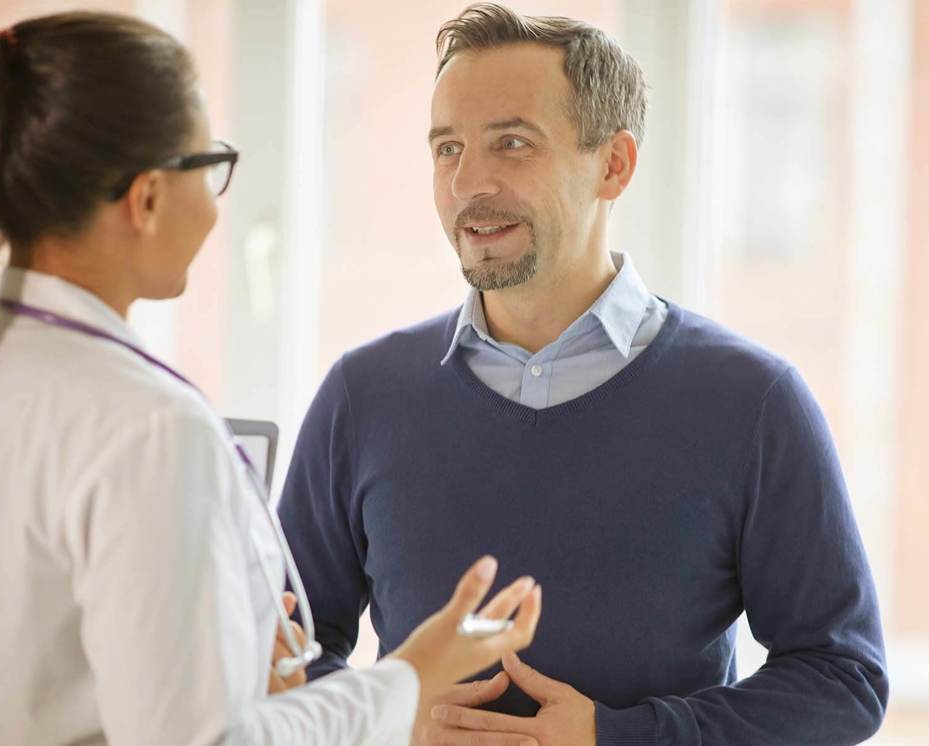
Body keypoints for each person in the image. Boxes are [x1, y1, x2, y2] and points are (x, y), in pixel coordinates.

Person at [277, 3, 888, 745]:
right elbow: (280, 658)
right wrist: (383, 722)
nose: (469, 182)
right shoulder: (362, 396)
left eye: (512, 144)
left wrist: (616, 737)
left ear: (614, 164)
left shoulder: (753, 403)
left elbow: (842, 677)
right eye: (447, 148)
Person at [0, 12, 541, 745]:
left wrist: (231, 671)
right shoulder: (146, 426)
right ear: (149, 198)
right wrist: (411, 677)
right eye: (212, 162)